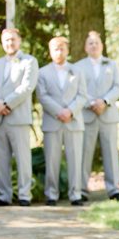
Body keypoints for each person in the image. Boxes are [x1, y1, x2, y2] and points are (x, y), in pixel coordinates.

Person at [0, 28, 39, 206]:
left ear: (19, 41)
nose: (9, 43)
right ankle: (4, 195)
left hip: (18, 118)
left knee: (23, 159)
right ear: (2, 42)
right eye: (6, 40)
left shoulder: (29, 61)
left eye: (13, 39)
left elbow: (27, 87)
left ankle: (24, 195)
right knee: (2, 159)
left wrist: (7, 103)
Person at [37, 36, 87, 206]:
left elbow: (82, 95)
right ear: (50, 52)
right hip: (53, 121)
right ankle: (51, 194)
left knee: (75, 160)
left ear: (67, 50)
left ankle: (76, 194)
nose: (59, 52)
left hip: (73, 121)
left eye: (62, 49)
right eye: (55, 49)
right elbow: (42, 96)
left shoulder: (77, 71)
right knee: (52, 160)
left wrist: (70, 111)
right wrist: (59, 111)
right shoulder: (42, 72)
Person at [75, 31, 119, 202]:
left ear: (102, 46)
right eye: (90, 43)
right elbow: (77, 89)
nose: (94, 45)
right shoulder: (78, 66)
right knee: (84, 153)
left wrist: (104, 101)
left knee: (111, 153)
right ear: (85, 47)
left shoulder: (112, 65)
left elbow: (118, 87)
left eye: (96, 42)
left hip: (108, 115)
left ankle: (114, 189)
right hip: (87, 115)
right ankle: (81, 189)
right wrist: (91, 103)